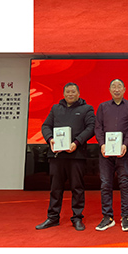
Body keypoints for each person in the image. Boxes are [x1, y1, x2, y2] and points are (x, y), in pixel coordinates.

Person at [36, 83, 95, 231]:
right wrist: (50, 139)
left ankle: (77, 218)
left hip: (76, 155)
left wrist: (76, 142)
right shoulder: (56, 108)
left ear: (78, 93)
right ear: (63, 94)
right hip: (57, 155)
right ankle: (53, 217)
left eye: (73, 91)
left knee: (77, 188)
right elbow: (45, 126)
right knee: (55, 188)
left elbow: (91, 128)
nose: (70, 94)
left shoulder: (87, 109)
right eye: (67, 92)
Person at [94, 78, 128, 231]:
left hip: (124, 151)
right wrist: (102, 144)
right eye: (114, 86)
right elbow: (98, 127)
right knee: (106, 183)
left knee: (125, 183)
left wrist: (125, 144)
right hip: (105, 152)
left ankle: (126, 216)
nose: (117, 89)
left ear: (124, 89)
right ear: (109, 90)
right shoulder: (103, 107)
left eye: (119, 86)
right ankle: (108, 217)